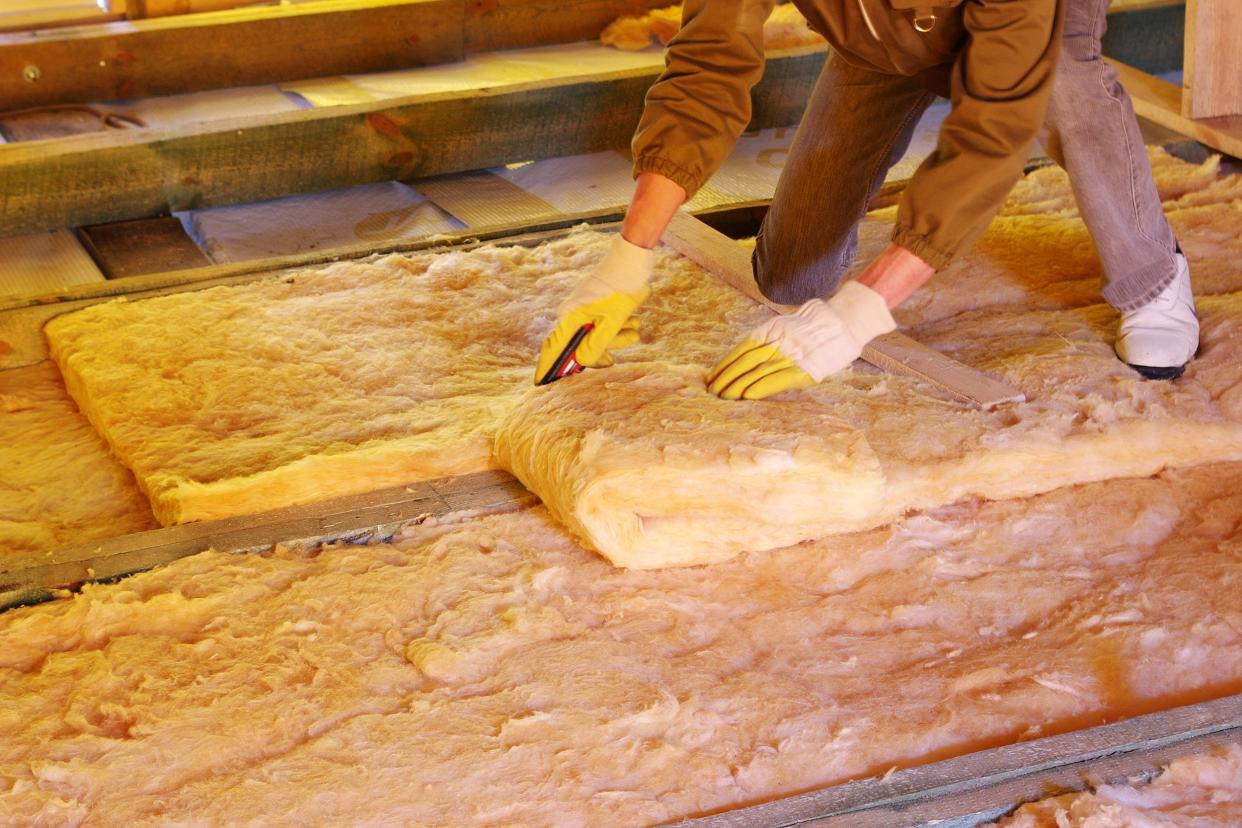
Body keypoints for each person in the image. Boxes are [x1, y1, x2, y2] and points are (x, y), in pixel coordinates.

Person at [535, 0, 1199, 398]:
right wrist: (627, 258)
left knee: (1064, 86)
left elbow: (995, 127)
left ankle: (1152, 276)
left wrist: (861, 312)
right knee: (792, 278)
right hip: (883, 36)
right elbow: (707, 69)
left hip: (1033, 39)